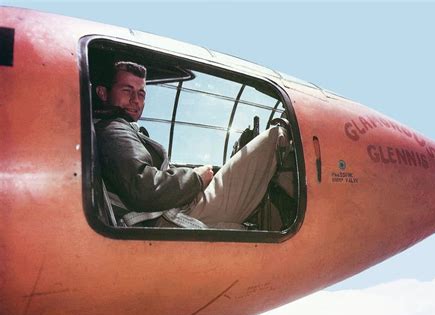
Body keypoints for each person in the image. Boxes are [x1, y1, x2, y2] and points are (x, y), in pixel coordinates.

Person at [94, 61, 290, 229]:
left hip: (172, 211)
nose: (135, 100)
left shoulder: (118, 129)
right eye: (127, 91)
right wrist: (196, 178)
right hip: (173, 216)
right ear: (103, 93)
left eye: (141, 94)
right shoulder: (114, 128)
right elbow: (144, 187)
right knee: (275, 137)